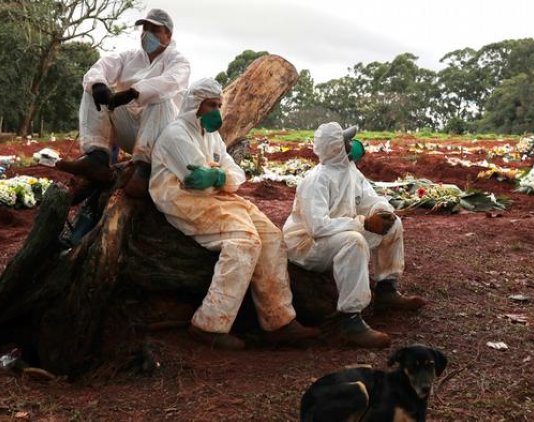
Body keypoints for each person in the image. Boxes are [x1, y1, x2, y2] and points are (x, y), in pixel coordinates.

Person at [149, 78, 319, 350]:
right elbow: (197, 184)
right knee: (244, 242)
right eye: (210, 105)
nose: (216, 110)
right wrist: (221, 177)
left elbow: (238, 176)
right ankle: (209, 324)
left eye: (219, 104)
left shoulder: (211, 136)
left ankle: (278, 320)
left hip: (217, 197)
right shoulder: (176, 135)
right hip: (181, 199)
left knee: (272, 237)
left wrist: (217, 175)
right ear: (195, 105)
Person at [283, 122, 426, 349]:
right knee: (354, 241)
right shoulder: (316, 180)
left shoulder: (350, 171)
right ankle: (350, 320)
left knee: (393, 224)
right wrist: (363, 223)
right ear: (336, 148)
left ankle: (386, 288)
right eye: (347, 141)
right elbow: (318, 228)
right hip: (306, 246)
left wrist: (382, 212)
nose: (353, 145)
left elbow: (370, 199)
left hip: (338, 232)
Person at [56, 8, 191, 198]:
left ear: (168, 35)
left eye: (154, 30)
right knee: (93, 89)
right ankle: (97, 158)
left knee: (161, 98)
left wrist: (134, 92)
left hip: (162, 137)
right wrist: (99, 85)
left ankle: (143, 170)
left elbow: (171, 82)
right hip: (132, 133)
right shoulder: (129, 57)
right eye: (145, 28)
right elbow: (100, 68)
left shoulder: (178, 61)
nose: (147, 34)